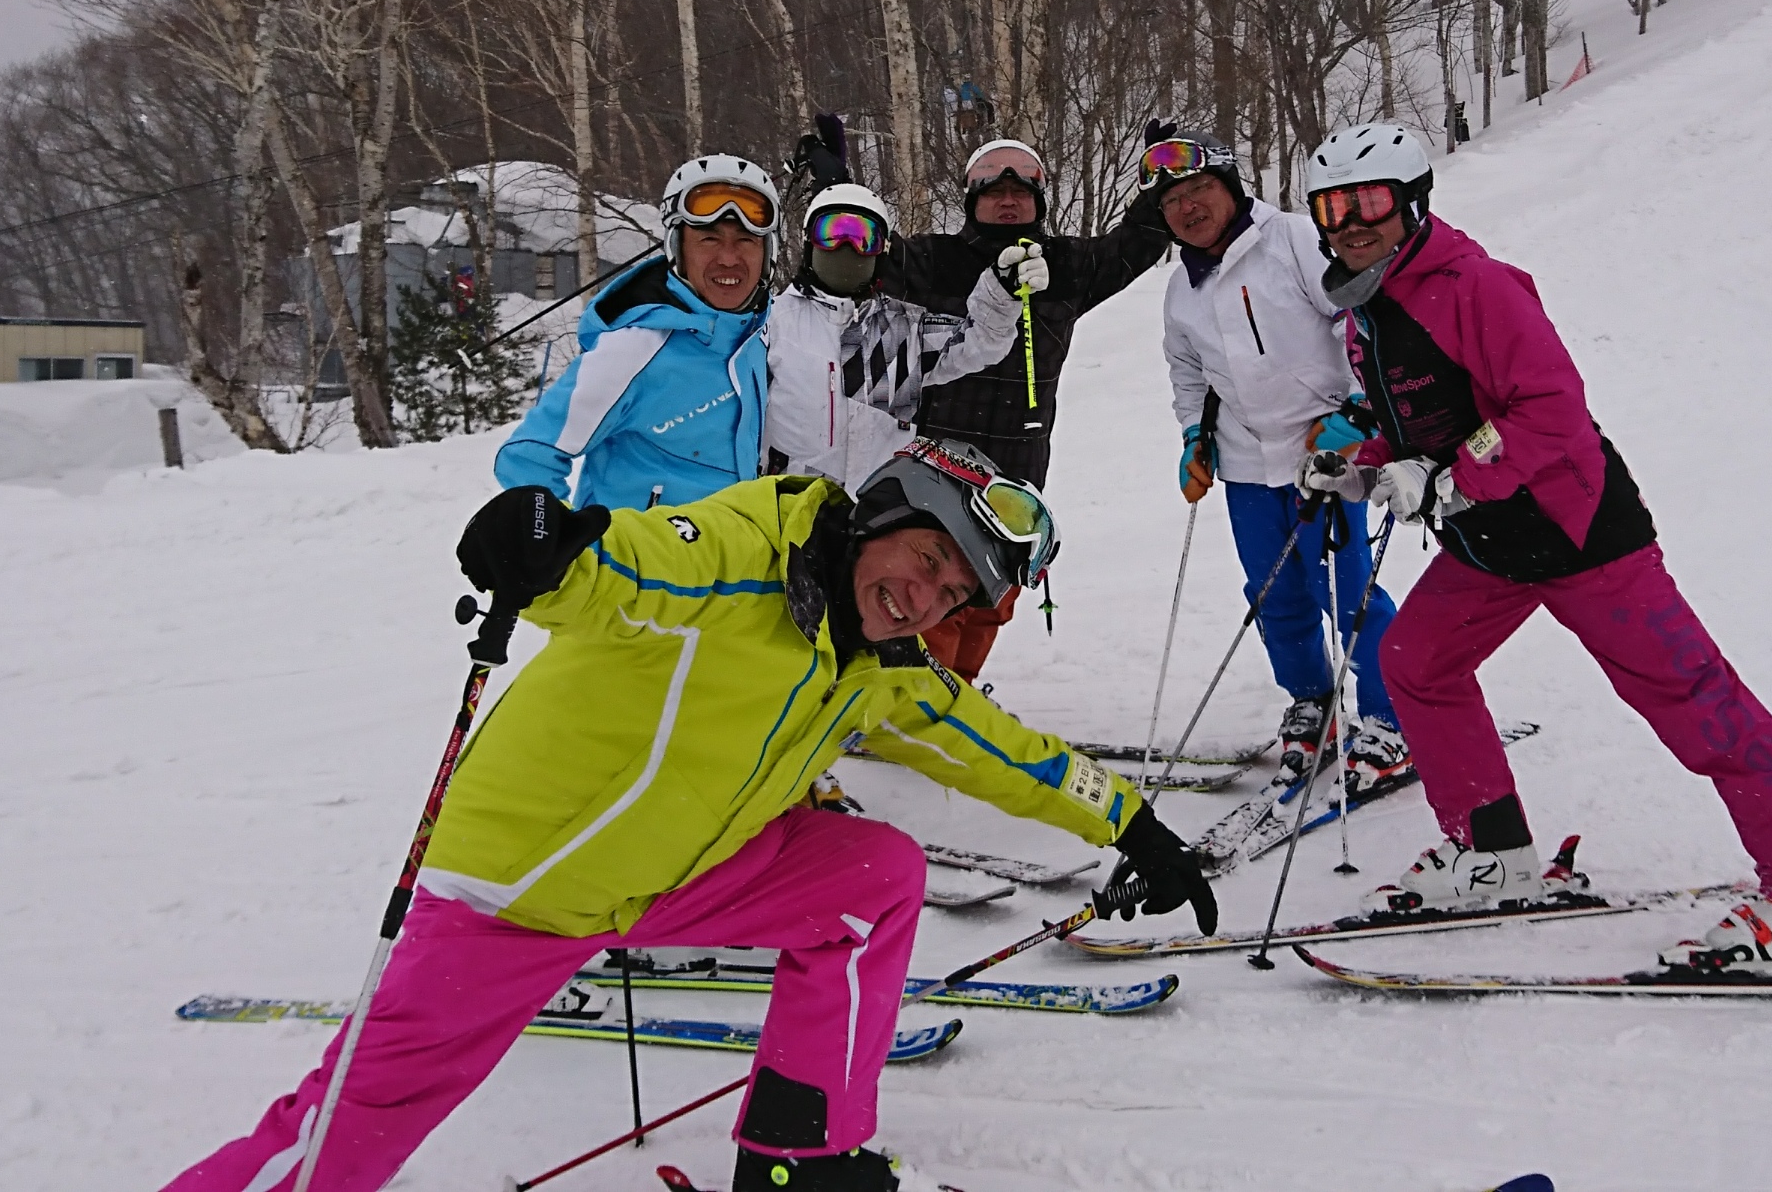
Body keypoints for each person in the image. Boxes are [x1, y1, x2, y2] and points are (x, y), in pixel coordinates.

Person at [159, 441, 1217, 1192]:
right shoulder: (744, 553)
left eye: (953, 595)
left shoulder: (879, 658)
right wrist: (550, 548)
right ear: (884, 514)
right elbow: (629, 564)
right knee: (345, 1135)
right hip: (520, 887)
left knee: (871, 877)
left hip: (676, 872)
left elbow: (993, 746)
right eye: (929, 558)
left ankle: (800, 1158)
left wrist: (1131, 826)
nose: (926, 596)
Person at [1292, 121, 1772, 976]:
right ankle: (1491, 851)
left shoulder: (1474, 285)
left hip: (1578, 534)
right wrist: (1363, 465)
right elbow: (1417, 422)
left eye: (1369, 201)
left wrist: (1452, 477)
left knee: (1696, 704)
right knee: (1416, 661)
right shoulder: (1368, 305)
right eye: (1331, 207)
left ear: (1411, 202)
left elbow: (1549, 409)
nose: (1350, 222)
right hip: (1490, 543)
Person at [1145, 129, 1406, 793]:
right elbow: (1187, 373)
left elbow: (1361, 321)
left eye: (1198, 188)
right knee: (1273, 594)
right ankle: (1312, 702)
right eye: (1171, 200)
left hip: (1326, 455)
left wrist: (1360, 410)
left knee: (1346, 593)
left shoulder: (1292, 240)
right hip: (1245, 468)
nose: (1187, 207)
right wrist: (1193, 438)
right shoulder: (1181, 289)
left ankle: (1392, 716)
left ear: (1230, 185)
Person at [883, 135, 1170, 674]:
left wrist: (1160, 181)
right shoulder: (932, 259)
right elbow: (856, 247)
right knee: (933, 587)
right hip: (935, 461)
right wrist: (832, 182)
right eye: (995, 194)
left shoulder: (1067, 265)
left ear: (1039, 202)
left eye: (1021, 193)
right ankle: (920, 700)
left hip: (1018, 466)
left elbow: (1135, 245)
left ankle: (959, 692)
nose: (1008, 202)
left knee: (994, 594)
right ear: (971, 201)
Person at [493, 154, 777, 511]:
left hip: (739, 544)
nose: (729, 259)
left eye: (746, 240)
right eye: (709, 239)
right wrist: (568, 538)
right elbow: (526, 458)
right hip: (641, 547)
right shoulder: (634, 349)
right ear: (676, 248)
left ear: (768, 253)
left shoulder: (766, 335)